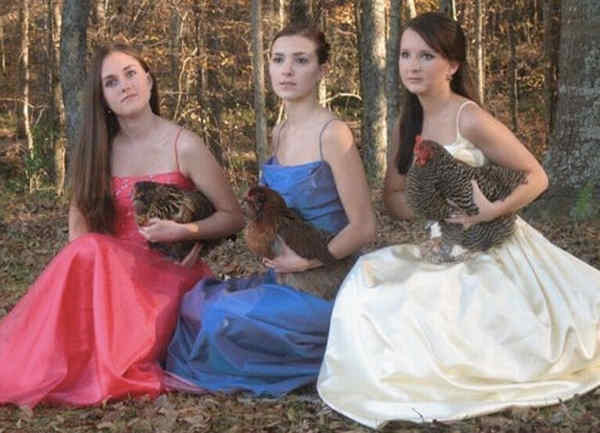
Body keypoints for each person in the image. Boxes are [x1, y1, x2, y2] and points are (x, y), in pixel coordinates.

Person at [317, 12, 600, 428]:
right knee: (369, 277)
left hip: (492, 244)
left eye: (426, 56)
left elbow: (537, 176)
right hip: (442, 241)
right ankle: (391, 380)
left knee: (439, 300)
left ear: (452, 65)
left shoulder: (469, 117)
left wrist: (491, 210)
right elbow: (393, 199)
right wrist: (435, 209)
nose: (413, 65)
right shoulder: (407, 123)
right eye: (405, 55)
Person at [0, 42, 244, 408]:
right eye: (111, 82)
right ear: (103, 98)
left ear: (149, 79)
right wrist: (96, 282)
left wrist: (188, 232)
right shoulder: (99, 151)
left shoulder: (184, 145)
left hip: (168, 276)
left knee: (92, 251)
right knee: (88, 249)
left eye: (131, 74)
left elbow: (233, 216)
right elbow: (79, 233)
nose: (124, 86)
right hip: (112, 278)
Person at [165, 22, 376, 397]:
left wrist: (306, 262)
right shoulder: (279, 133)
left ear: (322, 70)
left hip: (325, 283)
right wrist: (196, 237)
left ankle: (317, 350)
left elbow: (364, 227)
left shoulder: (333, 134)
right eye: (278, 59)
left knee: (220, 318)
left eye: (301, 60)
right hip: (283, 276)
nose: (287, 70)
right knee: (196, 302)